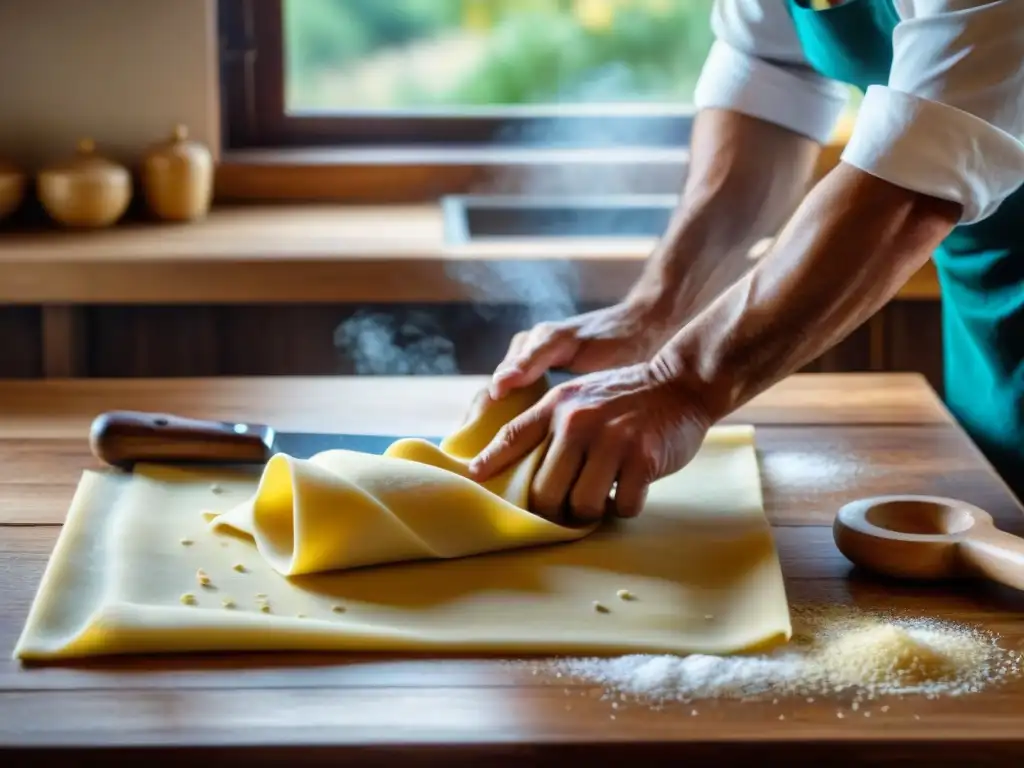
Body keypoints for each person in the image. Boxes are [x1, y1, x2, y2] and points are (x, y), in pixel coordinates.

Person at [464, 0, 1024, 523]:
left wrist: (681, 383)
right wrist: (657, 311)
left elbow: (916, 177)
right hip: (985, 289)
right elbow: (768, 83)